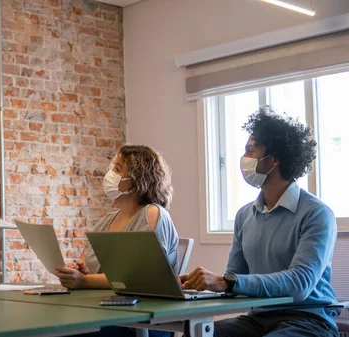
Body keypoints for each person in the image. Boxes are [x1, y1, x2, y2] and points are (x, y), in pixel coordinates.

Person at [180, 107, 339, 337]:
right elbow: (234, 281)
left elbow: (299, 284)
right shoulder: (245, 216)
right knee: (197, 334)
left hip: (308, 319)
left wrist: (227, 282)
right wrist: (199, 285)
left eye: (250, 150)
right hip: (257, 319)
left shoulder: (317, 214)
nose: (244, 157)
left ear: (273, 159)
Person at [58, 145, 178, 337]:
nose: (109, 174)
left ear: (136, 180)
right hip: (106, 312)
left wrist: (83, 281)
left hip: (146, 322)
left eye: (117, 168)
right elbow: (85, 265)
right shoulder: (107, 220)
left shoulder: (152, 213)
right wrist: (78, 271)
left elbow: (138, 280)